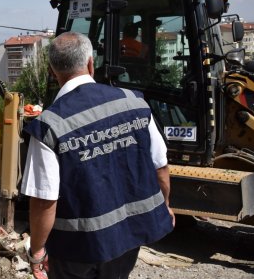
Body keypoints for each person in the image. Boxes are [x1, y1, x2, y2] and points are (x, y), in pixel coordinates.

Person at [20, 32, 175, 279]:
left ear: (52, 71)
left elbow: (43, 201)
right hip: (126, 241)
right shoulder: (134, 103)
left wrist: (37, 251)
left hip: (75, 250)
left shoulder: (48, 126)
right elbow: (160, 167)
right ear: (91, 63)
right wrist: (164, 205)